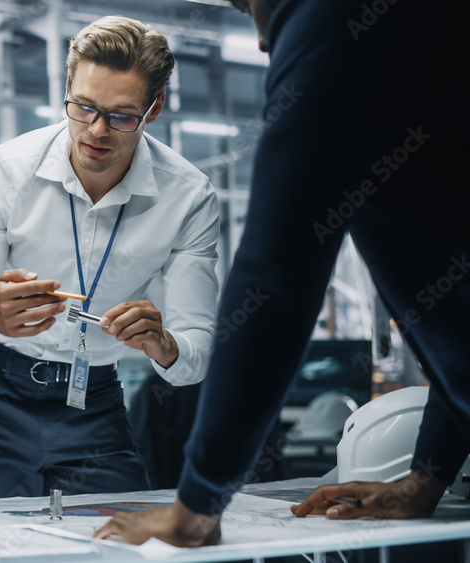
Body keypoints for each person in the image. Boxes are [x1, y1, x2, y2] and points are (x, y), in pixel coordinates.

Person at [95, 0, 467, 546]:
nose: (266, 42)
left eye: (248, 6)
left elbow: (277, 274)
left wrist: (198, 502)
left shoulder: (337, 17)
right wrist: (428, 476)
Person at [0, 16, 221, 500]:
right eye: (83, 107)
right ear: (67, 88)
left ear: (155, 109)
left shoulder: (188, 196)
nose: (97, 131)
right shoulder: (4, 172)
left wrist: (165, 345)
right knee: (5, 550)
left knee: (123, 543)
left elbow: (198, 351)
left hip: (96, 397)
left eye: (122, 115)